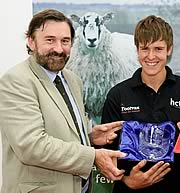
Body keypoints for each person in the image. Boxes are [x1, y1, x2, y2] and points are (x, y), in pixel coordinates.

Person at [0, 9, 126, 193]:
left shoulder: (72, 80)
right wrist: (92, 156)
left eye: (65, 41)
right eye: (50, 40)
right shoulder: (17, 81)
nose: (59, 49)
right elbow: (32, 146)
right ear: (31, 42)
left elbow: (60, 132)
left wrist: (88, 137)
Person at [101, 15, 180, 193]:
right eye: (145, 48)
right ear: (137, 50)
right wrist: (127, 180)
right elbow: (104, 153)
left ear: (169, 49)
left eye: (158, 48)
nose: (151, 56)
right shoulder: (118, 95)